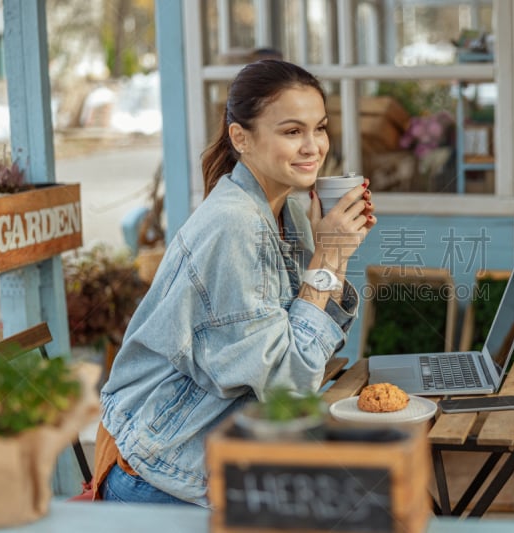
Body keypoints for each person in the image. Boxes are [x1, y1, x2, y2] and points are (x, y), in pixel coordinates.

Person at [93, 59, 376, 506]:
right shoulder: (234, 224)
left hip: (224, 451)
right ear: (241, 138)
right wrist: (329, 257)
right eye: (291, 131)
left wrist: (331, 256)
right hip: (164, 473)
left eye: (319, 128)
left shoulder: (289, 213)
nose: (313, 147)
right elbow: (287, 380)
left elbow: (302, 350)